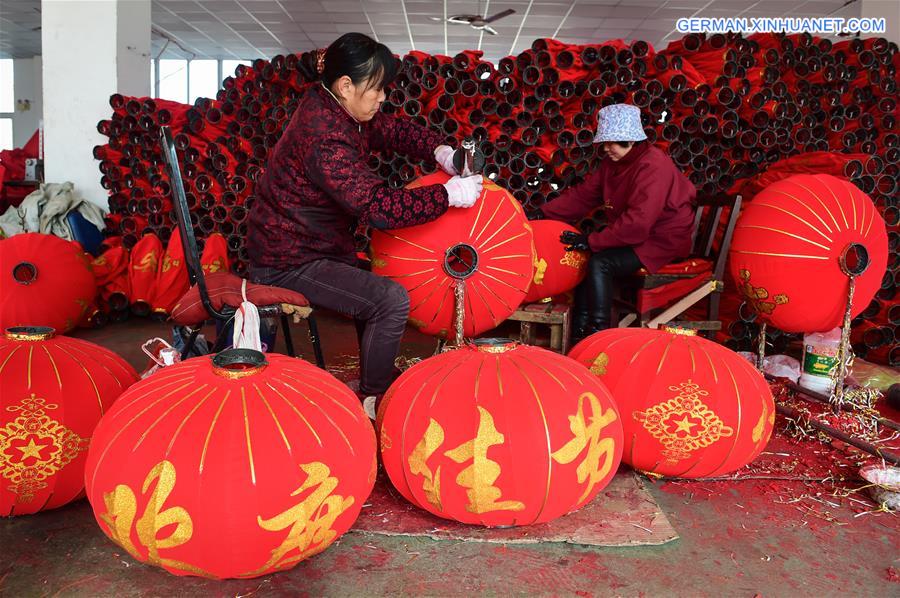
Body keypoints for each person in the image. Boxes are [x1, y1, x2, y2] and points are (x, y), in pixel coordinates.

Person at [247, 32, 483, 417]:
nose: (382, 97)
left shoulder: (334, 108)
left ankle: (377, 377)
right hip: (287, 260)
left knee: (379, 284)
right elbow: (379, 208)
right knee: (390, 299)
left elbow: (388, 129)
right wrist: (448, 195)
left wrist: (440, 151)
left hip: (317, 247)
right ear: (345, 85)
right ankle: (375, 398)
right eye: (375, 89)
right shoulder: (325, 138)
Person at [539, 103, 696, 341]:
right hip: (638, 234)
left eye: (611, 142)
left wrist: (592, 240)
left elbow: (639, 224)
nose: (606, 148)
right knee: (587, 259)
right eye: (605, 142)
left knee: (600, 263)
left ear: (631, 141)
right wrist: (543, 213)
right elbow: (584, 195)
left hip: (661, 239)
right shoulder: (613, 163)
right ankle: (578, 333)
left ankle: (598, 334)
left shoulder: (653, 165)